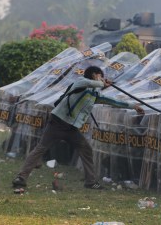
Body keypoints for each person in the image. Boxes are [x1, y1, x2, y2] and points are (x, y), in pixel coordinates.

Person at [12, 66, 145, 189]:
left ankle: (90, 182)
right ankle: (21, 177)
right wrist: (102, 83)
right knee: (40, 149)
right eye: (100, 76)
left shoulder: (93, 93)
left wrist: (133, 106)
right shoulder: (80, 82)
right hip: (58, 122)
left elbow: (113, 101)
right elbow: (92, 83)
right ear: (94, 75)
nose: (102, 79)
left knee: (86, 149)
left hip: (71, 128)